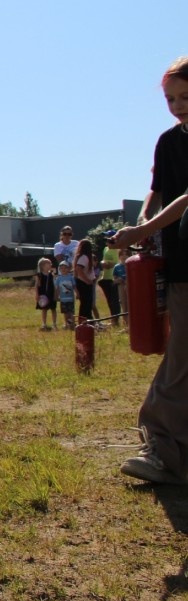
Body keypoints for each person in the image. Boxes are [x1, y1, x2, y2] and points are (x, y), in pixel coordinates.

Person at [111, 55, 188, 485]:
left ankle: (161, 446)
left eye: (185, 96)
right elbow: (158, 191)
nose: (178, 105)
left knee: (180, 362)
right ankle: (165, 448)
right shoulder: (168, 141)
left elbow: (186, 199)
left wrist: (146, 228)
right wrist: (141, 225)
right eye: (170, 98)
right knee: (181, 356)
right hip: (181, 264)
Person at [72, 238, 99, 324]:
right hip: (84, 283)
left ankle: (86, 321)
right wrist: (87, 280)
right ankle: (85, 322)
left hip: (83, 282)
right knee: (86, 304)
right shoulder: (84, 257)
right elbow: (79, 269)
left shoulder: (82, 257)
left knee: (86, 304)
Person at [98, 242, 122, 326]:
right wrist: (102, 262)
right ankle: (113, 319)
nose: (107, 242)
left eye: (109, 240)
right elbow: (103, 260)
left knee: (114, 300)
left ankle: (116, 320)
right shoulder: (105, 249)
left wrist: (106, 263)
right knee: (109, 301)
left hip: (113, 278)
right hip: (105, 278)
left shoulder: (116, 250)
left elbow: (115, 262)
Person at [34, 257, 58, 330]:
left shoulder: (51, 275)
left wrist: (55, 294)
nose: (51, 264)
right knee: (44, 309)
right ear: (43, 265)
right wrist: (37, 295)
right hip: (43, 295)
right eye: (49, 263)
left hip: (51, 294)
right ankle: (44, 324)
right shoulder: (39, 275)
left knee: (53, 309)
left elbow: (54, 285)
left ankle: (54, 324)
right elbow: (36, 286)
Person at [55, 261, 76, 330]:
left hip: (70, 298)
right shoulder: (58, 278)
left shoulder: (71, 277)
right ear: (59, 269)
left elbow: (74, 287)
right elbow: (57, 288)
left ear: (68, 269)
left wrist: (78, 294)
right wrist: (56, 296)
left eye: (65, 268)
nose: (63, 270)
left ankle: (72, 323)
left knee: (71, 312)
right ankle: (67, 324)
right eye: (61, 268)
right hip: (63, 299)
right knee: (65, 312)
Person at [113, 248, 129, 330]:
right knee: (123, 304)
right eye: (122, 254)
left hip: (130, 286)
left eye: (126, 254)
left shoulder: (130, 265)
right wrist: (118, 280)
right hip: (121, 287)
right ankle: (126, 324)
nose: (124, 256)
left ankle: (131, 324)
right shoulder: (117, 267)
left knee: (130, 304)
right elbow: (114, 280)